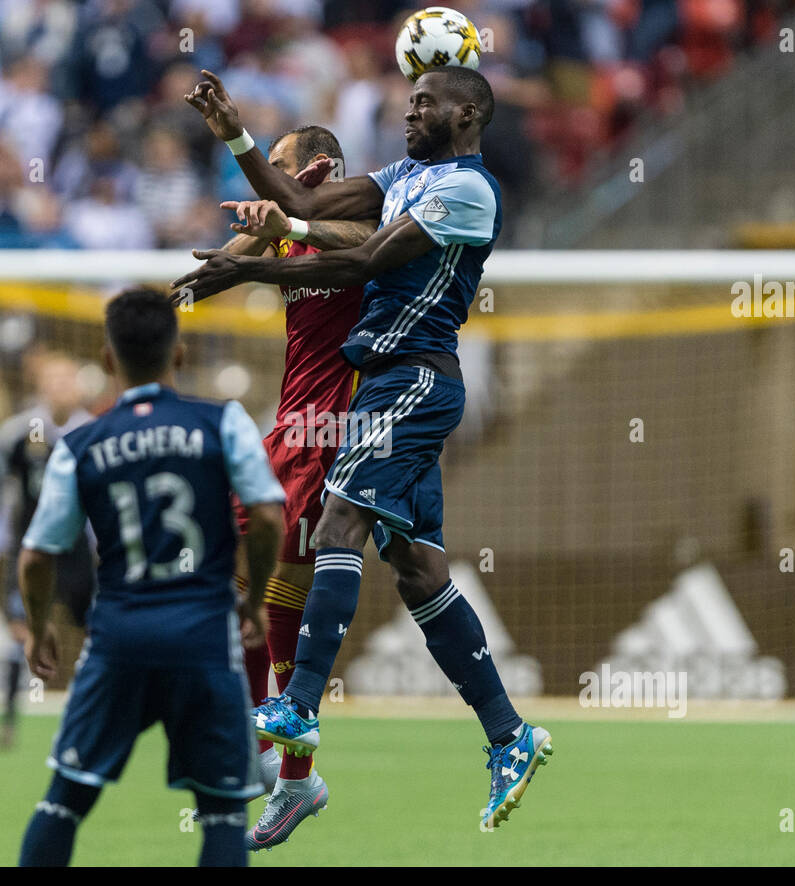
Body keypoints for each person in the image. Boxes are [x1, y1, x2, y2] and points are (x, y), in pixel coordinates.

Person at [175, 66, 552, 831]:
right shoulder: (405, 175)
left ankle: (297, 713)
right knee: (418, 572)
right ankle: (511, 736)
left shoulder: (469, 191)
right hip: (381, 390)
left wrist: (262, 256)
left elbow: (363, 255)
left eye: (423, 103)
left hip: (405, 382)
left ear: (469, 113)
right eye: (405, 101)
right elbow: (304, 205)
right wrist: (237, 138)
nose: (407, 111)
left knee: (336, 525)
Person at [16, 288, 285, 866]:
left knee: (64, 800)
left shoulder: (80, 445)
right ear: (179, 354)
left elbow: (37, 555)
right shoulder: (223, 422)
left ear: (109, 361)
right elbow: (266, 514)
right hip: (204, 639)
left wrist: (38, 629)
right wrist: (256, 599)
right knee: (221, 813)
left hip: (119, 640)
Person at [214, 124, 375, 849]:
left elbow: (363, 245)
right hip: (288, 431)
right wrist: (265, 222)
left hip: (332, 433)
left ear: (317, 168)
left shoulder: (366, 225)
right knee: (275, 595)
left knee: (271, 583)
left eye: (274, 169)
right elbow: (223, 262)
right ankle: (289, 767)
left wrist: (298, 212)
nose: (265, 184)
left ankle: (277, 756)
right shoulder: (290, 233)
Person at [0, 351, 92, 749]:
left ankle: (103, 719)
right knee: (19, 632)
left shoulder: (94, 431)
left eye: (68, 379)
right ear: (41, 386)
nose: (61, 387)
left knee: (98, 631)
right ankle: (7, 723)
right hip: (30, 551)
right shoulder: (17, 432)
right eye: (54, 379)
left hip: (76, 554)